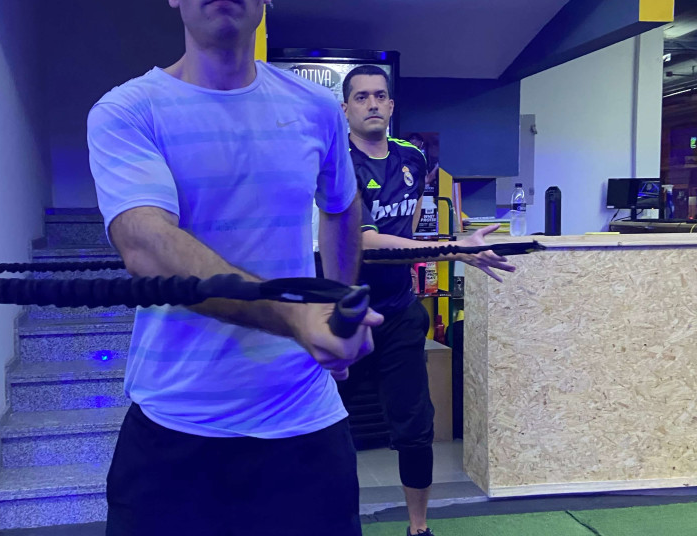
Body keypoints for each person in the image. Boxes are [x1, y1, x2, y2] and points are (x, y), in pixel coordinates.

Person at [86, 2, 383, 535]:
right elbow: (147, 246)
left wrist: (336, 308)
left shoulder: (315, 107)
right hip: (175, 432)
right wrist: (296, 317)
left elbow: (341, 205)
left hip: (304, 430)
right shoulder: (129, 110)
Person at [340, 65, 515, 536]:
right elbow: (367, 243)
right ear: (346, 108)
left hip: (399, 312)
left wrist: (444, 246)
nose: (372, 103)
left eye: (380, 95)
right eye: (362, 97)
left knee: (415, 428)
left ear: (392, 105)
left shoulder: (412, 158)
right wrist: (455, 249)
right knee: (332, 428)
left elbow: (412, 225)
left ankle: (418, 529)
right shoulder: (339, 163)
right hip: (345, 313)